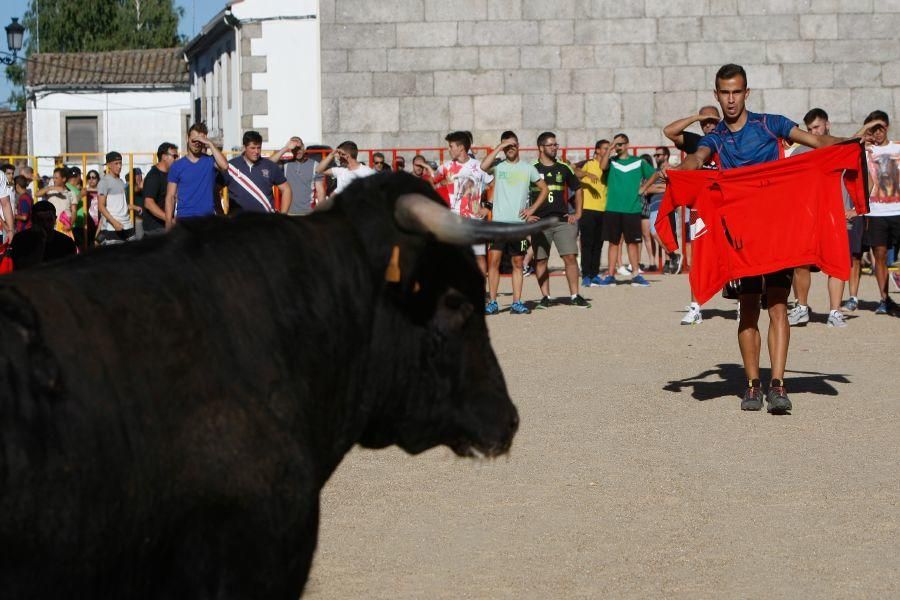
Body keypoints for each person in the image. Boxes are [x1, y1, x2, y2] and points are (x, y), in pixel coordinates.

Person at [675, 63, 880, 414]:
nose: (731, 99)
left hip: (777, 231)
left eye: (736, 91)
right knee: (749, 310)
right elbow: (698, 156)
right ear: (716, 95)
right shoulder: (715, 137)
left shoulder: (771, 124)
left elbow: (817, 142)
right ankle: (752, 385)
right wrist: (683, 172)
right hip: (741, 237)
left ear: (746, 92)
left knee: (779, 307)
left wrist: (847, 143)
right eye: (724, 93)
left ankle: (778, 384)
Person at [786, 108, 853, 328]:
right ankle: (802, 308)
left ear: (827, 125)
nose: (814, 132)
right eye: (810, 129)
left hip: (835, 214)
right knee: (801, 263)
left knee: (837, 264)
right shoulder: (799, 152)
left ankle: (834, 312)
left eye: (817, 127)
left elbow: (863, 175)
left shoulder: (842, 148)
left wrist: (855, 208)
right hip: (807, 216)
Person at [480, 131, 549, 315]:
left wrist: (531, 210)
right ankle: (493, 302)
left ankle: (517, 302)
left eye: (513, 145)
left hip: (518, 224)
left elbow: (544, 189)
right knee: (493, 262)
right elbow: (482, 166)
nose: (510, 149)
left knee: (518, 262)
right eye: (507, 146)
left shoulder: (528, 168)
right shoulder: (498, 166)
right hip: (498, 224)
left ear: (518, 146)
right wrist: (500, 147)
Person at [528, 131, 589, 307]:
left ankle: (575, 295)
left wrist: (577, 213)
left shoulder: (564, 167)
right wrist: (527, 214)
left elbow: (578, 188)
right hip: (539, 222)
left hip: (562, 221)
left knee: (570, 257)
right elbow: (522, 192)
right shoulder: (531, 168)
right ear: (541, 147)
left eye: (556, 144)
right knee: (540, 260)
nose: (555, 147)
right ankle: (546, 297)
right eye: (551, 145)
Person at [419, 131, 493, 275]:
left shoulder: (479, 166)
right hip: (452, 221)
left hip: (474, 219)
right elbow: (431, 180)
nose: (449, 149)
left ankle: (479, 293)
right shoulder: (446, 167)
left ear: (461, 148)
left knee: (479, 257)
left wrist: (488, 207)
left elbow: (494, 185)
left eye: (451, 146)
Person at [595, 133, 655, 287]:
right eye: (616, 144)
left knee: (632, 243)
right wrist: (611, 147)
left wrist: (644, 187)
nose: (618, 147)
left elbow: (654, 175)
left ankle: (635, 274)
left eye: (621, 144)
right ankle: (610, 275)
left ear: (627, 145)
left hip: (632, 208)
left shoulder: (638, 162)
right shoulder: (611, 162)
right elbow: (602, 166)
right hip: (613, 208)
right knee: (614, 243)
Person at [861, 110, 900, 315]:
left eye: (880, 128)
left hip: (898, 209)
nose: (877, 133)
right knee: (880, 254)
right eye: (873, 129)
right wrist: (868, 127)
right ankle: (884, 298)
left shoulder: (897, 147)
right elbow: (851, 140)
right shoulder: (866, 150)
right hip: (876, 211)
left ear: (887, 127)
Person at [166, 123, 228, 228]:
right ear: (187, 138)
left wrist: (210, 144)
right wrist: (168, 225)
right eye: (194, 140)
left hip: (207, 220)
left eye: (200, 141)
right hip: (185, 220)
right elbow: (170, 197)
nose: (196, 144)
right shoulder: (177, 166)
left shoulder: (210, 161)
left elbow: (225, 166)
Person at [224, 130, 291, 214]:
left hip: (265, 222)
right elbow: (215, 189)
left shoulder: (270, 166)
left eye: (259, 148)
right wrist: (220, 213)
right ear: (244, 148)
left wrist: (283, 215)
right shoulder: (230, 166)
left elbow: (286, 189)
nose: (256, 151)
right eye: (252, 148)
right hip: (238, 223)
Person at [577, 140, 610, 286]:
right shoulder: (588, 163)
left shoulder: (608, 165)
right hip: (588, 209)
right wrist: (586, 174)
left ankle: (595, 274)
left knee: (599, 244)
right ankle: (585, 275)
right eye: (605, 148)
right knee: (587, 244)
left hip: (603, 210)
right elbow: (573, 170)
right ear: (597, 150)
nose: (607, 151)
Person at [8, 200, 77, 269]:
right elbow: (23, 268)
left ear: (55, 219)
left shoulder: (66, 242)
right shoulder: (20, 240)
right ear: (33, 220)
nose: (45, 224)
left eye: (49, 220)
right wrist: (41, 243)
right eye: (40, 220)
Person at [272, 136, 320, 215]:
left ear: (303, 147)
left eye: (299, 148)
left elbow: (320, 191)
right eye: (294, 149)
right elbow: (268, 164)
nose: (297, 151)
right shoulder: (286, 164)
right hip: (289, 212)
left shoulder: (315, 165)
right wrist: (285, 148)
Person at [96, 152, 136, 245]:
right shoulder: (104, 182)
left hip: (127, 225)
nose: (119, 166)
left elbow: (120, 204)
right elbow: (101, 206)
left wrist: (135, 207)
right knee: (116, 258)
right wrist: (114, 223)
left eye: (120, 163)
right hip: (113, 228)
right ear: (109, 165)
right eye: (116, 163)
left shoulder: (121, 181)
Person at [141, 142, 178, 236]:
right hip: (155, 230)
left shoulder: (170, 175)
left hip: (165, 227)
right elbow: (148, 203)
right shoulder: (153, 176)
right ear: (164, 156)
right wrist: (169, 219)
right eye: (174, 156)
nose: (176, 159)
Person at [38, 167, 78, 238]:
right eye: (53, 178)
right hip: (51, 225)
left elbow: (74, 211)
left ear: (64, 179)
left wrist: (70, 224)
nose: (54, 180)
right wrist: (51, 188)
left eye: (56, 178)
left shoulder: (71, 193)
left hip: (64, 226)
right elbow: (37, 194)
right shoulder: (49, 190)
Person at [0, 167, 15, 244]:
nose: (11, 175)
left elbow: (5, 204)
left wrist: (10, 230)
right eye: (9, 173)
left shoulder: (1, 176)